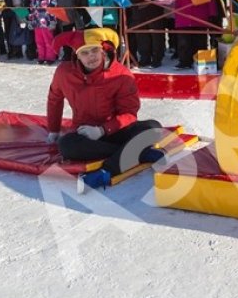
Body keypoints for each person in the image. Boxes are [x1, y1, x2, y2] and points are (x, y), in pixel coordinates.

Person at [45, 28, 169, 190]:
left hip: (117, 131)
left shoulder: (121, 74)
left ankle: (108, 170)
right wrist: (53, 129)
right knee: (66, 145)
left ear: (102, 50)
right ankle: (138, 152)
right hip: (85, 133)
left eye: (95, 50)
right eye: (85, 53)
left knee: (153, 128)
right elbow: (54, 99)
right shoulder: (64, 72)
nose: (91, 56)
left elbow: (129, 113)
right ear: (77, 55)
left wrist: (103, 130)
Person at [28, 0, 58, 65]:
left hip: (47, 22)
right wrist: (31, 20)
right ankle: (41, 56)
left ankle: (50, 57)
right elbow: (32, 8)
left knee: (48, 40)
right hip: (37, 23)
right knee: (39, 41)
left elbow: (54, 10)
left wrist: (53, 21)